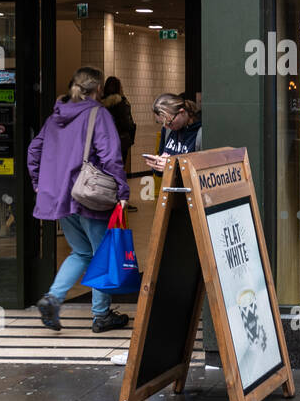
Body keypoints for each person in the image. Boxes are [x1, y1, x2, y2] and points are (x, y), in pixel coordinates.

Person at [29, 67, 131, 333]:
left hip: (62, 198)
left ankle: (53, 298)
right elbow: (110, 157)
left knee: (81, 252)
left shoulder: (56, 116)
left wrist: (39, 183)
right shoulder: (98, 114)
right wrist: (122, 192)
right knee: (101, 254)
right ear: (98, 88)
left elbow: (34, 149)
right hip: (89, 195)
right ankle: (101, 315)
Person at [143, 92, 203, 173]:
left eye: (169, 123)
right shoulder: (168, 130)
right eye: (162, 123)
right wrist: (157, 164)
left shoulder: (199, 133)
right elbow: (162, 171)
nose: (166, 127)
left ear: (182, 112)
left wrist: (172, 167)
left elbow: (203, 171)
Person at [101, 76, 138, 174]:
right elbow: (126, 123)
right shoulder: (121, 103)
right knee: (119, 168)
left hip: (105, 141)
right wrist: (132, 129)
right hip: (121, 140)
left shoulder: (100, 104)